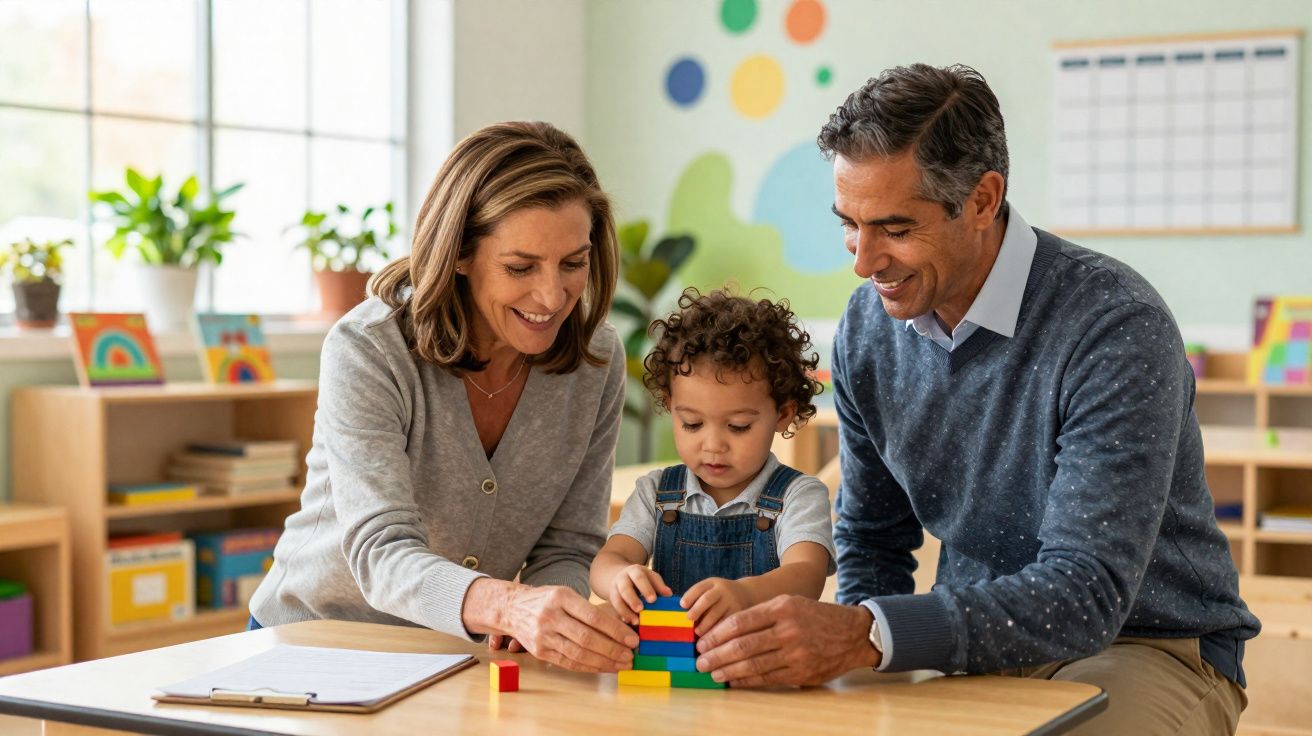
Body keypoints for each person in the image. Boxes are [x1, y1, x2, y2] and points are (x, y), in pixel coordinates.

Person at [693, 64, 1259, 734]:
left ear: (984, 200)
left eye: (895, 228)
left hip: (1148, 641)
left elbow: (1086, 592)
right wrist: (848, 657)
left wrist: (863, 637)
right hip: (978, 648)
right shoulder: (868, 329)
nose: (862, 260)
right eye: (850, 223)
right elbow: (873, 538)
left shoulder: (1113, 324)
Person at [248, 121, 640, 673]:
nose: (553, 296)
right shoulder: (369, 349)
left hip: (460, 658)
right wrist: (508, 605)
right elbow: (381, 551)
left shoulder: (594, 361)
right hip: (316, 643)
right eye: (520, 267)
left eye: (572, 263)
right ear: (459, 254)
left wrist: (546, 627)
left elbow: (567, 546)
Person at [590, 288, 834, 636]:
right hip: (672, 667)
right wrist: (620, 577)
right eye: (692, 423)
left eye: (738, 427)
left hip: (758, 665)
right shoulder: (657, 493)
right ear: (670, 405)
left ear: (783, 414)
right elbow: (606, 561)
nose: (713, 446)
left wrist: (746, 593)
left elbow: (806, 576)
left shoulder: (798, 496)